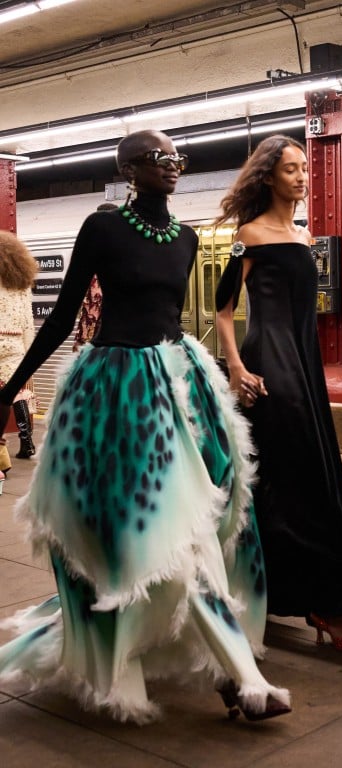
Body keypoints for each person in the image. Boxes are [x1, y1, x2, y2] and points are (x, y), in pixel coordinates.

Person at [0, 129, 290, 724]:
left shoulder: (185, 238)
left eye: (177, 156)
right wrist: (7, 392)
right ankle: (225, 676)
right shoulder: (101, 229)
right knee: (133, 541)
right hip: (112, 396)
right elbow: (60, 318)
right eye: (160, 158)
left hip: (178, 387)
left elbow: (176, 313)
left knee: (204, 532)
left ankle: (238, 675)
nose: (173, 166)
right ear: (130, 168)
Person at [214, 135, 342, 654]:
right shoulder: (245, 236)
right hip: (268, 365)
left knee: (287, 479)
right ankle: (327, 604)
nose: (301, 177)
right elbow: (222, 308)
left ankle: (279, 592)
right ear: (268, 177)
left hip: (303, 365)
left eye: (304, 169)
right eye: (291, 170)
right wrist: (234, 366)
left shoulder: (303, 237)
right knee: (302, 481)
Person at [0, 230, 38, 487]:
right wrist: (28, 357)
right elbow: (28, 323)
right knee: (15, 395)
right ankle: (26, 441)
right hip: (14, 345)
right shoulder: (21, 282)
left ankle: (1, 460)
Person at [71, 203, 117, 353]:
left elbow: (93, 305)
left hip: (104, 341)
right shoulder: (129, 253)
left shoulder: (99, 256)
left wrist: (82, 340)